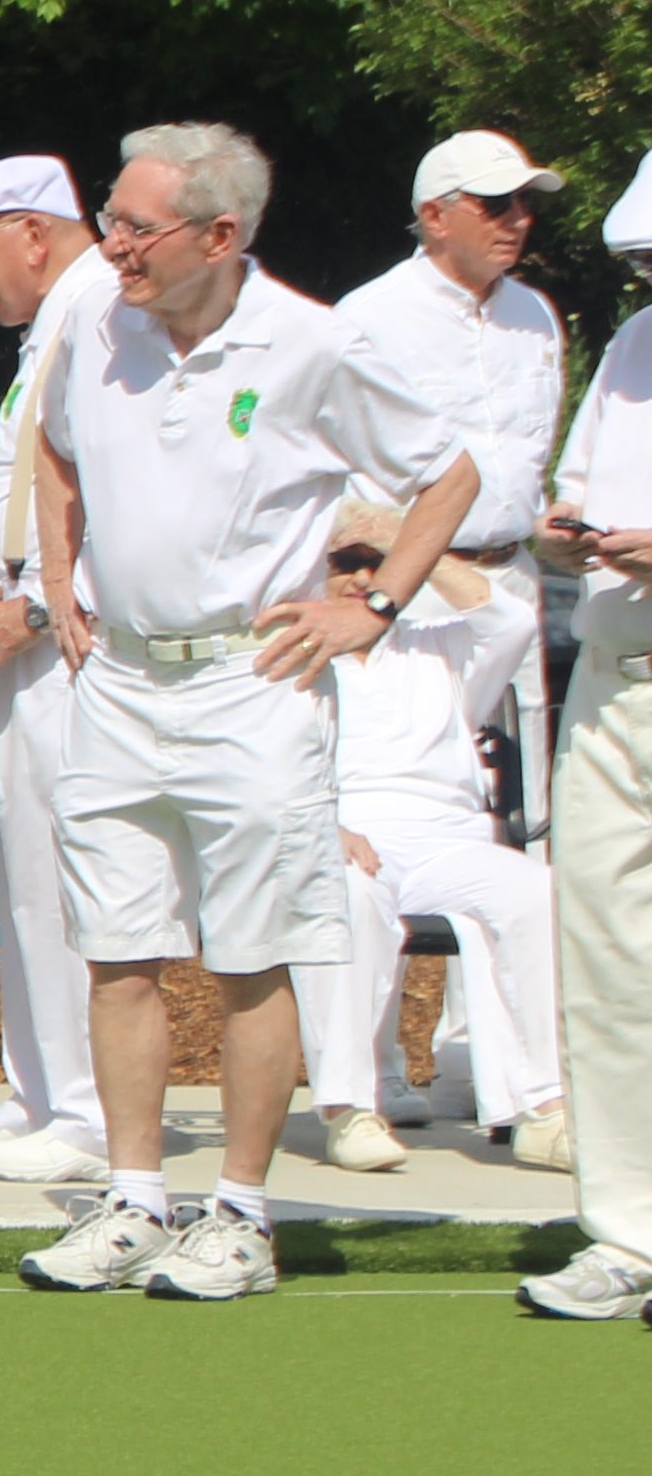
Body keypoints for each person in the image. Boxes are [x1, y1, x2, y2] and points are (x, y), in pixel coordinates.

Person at [19, 124, 478, 1301]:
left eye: (136, 227)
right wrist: (59, 581)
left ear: (221, 237)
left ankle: (242, 1212)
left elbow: (448, 473)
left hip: (252, 680)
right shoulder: (95, 323)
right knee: (118, 953)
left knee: (250, 956)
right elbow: (55, 450)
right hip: (117, 679)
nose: (113, 245)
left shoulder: (317, 343)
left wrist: (369, 605)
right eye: (112, 220)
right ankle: (132, 1200)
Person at [0, 155, 120, 1183]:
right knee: (28, 878)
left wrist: (39, 604)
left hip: (68, 642)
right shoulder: (53, 326)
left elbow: (116, 497)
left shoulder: (99, 318)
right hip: (25, 643)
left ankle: (85, 1109)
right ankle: (43, 1092)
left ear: (34, 234)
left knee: (65, 877)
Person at [294, 497, 563, 1168]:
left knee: (536, 891)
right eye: (345, 563)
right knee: (350, 896)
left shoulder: (438, 645)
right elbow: (262, 765)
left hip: (449, 840)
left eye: (376, 564)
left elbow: (509, 618)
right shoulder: (292, 652)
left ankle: (545, 1109)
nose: (361, 579)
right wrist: (326, 824)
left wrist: (411, 544)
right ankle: (350, 1108)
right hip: (339, 836)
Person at [519, 151, 652, 1320]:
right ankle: (627, 1235)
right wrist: (568, 535)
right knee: (607, 959)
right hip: (613, 676)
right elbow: (571, 488)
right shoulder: (629, 348)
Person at [338, 133, 571, 562]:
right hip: (405, 582)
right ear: (435, 217)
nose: (519, 221)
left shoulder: (536, 314)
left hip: (514, 572)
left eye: (525, 203)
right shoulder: (366, 319)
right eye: (497, 204)